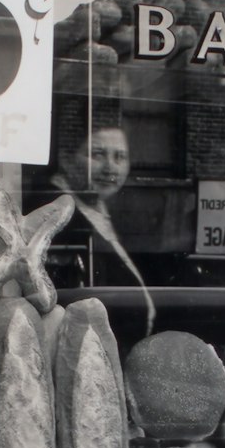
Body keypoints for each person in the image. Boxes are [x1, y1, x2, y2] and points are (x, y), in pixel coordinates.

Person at [35, 124, 156, 333]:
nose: (110, 168)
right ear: (66, 159)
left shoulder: (100, 208)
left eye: (120, 157)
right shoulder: (54, 214)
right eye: (97, 155)